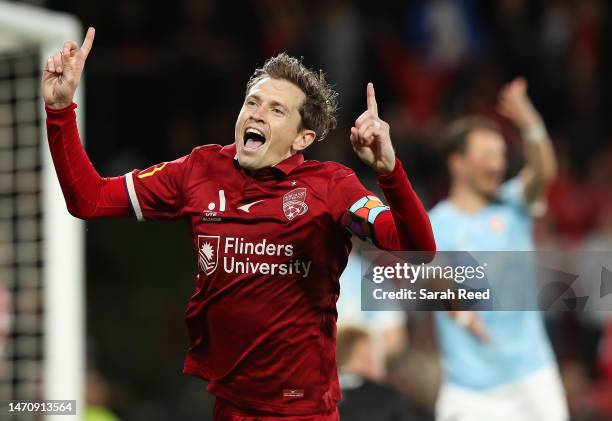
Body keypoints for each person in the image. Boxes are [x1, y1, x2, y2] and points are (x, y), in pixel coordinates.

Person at [42, 28, 436, 420]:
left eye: (276, 110)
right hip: (229, 408)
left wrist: (390, 173)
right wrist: (60, 112)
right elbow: (89, 199)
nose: (257, 113)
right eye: (253, 102)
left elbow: (418, 249)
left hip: (301, 412)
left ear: (302, 138)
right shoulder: (199, 170)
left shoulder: (331, 187)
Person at [428, 78, 568, 421]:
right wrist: (459, 310)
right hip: (468, 386)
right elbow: (432, 277)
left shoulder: (513, 204)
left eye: (501, 154)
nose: (498, 164)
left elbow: (543, 173)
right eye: (487, 155)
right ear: (457, 163)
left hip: (532, 376)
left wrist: (530, 125)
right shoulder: (435, 223)